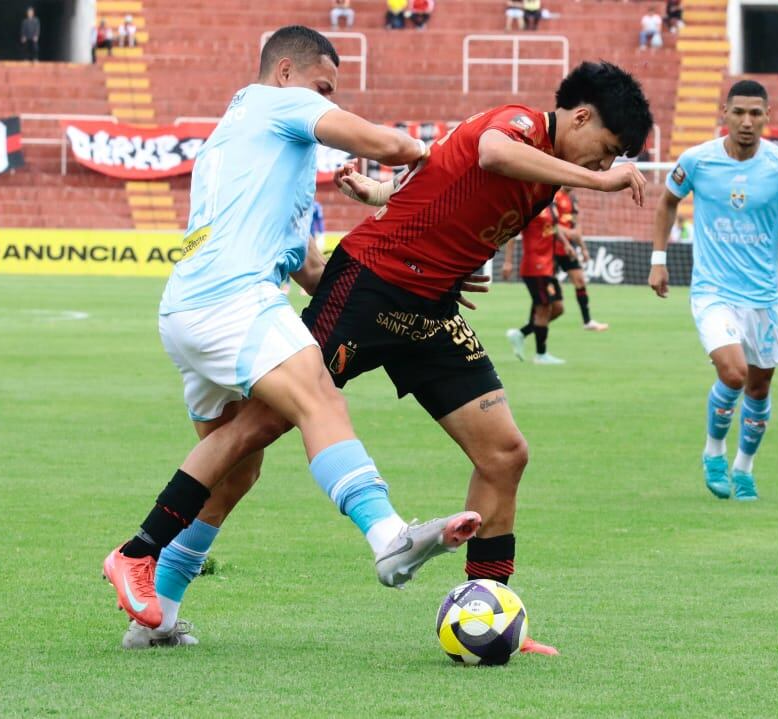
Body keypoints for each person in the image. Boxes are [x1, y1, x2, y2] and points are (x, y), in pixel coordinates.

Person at [126, 61, 653, 654]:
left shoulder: (549, 170)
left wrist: (389, 201)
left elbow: (440, 182)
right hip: (370, 286)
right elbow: (490, 155)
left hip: (431, 308)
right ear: (580, 118)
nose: (603, 166)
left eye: (610, 163)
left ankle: (488, 609)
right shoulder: (520, 125)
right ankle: (152, 579)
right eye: (604, 151)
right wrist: (601, 182)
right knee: (261, 426)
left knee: (505, 453)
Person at [104, 25, 482, 647]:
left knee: (233, 471)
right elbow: (389, 143)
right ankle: (389, 537)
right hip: (232, 299)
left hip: (190, 308)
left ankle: (157, 615)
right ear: (286, 72)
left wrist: (407, 286)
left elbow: (308, 268)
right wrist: (437, 158)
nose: (328, 101)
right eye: (323, 87)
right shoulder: (280, 103)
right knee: (321, 399)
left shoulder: (249, 143)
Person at [648, 79, 778, 502]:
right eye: (738, 112)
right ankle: (713, 452)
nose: (746, 122)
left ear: (767, 117)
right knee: (734, 373)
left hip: (762, 297)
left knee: (759, 389)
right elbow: (667, 201)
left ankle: (744, 468)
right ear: (724, 113)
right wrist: (658, 260)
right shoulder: (698, 161)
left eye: (755, 113)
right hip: (712, 292)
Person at [503, 206, 568, 364]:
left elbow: (554, 227)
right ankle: (541, 354)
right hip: (535, 267)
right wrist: (508, 262)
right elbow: (512, 234)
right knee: (543, 309)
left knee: (558, 308)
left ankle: (521, 333)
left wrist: (567, 244)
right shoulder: (531, 206)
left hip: (549, 267)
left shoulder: (551, 205)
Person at [553, 187, 608, 330]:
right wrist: (570, 233)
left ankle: (587, 321)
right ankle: (534, 324)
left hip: (568, 249)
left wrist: (583, 248)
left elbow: (576, 227)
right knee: (548, 293)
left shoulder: (572, 198)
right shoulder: (554, 196)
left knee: (580, 280)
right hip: (551, 247)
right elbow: (552, 225)